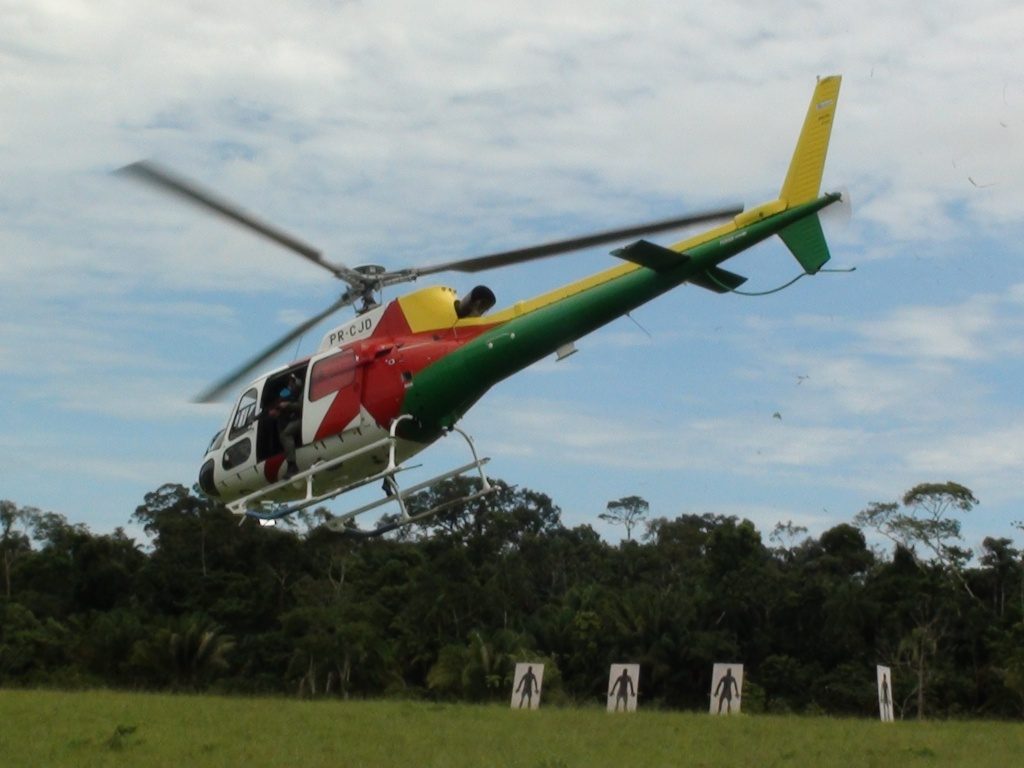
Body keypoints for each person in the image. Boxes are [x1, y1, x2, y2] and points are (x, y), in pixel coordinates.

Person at [271, 374, 303, 479]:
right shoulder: (287, 393)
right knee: (282, 430)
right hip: (298, 418)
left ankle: (292, 466)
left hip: (305, 418)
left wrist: (288, 405)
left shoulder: (302, 392)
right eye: (289, 382)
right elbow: (280, 401)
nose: (290, 385)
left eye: (292, 382)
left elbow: (302, 406)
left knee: (285, 434)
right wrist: (277, 409)